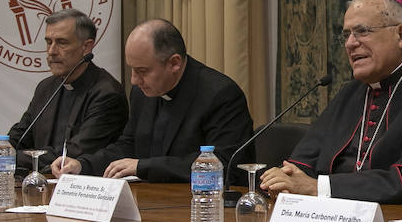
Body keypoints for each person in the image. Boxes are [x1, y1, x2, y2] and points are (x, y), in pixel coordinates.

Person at [259, 0, 402, 204]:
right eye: (346, 35)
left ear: (401, 35)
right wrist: (287, 179)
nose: (350, 43)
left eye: (362, 31)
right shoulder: (350, 92)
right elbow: (302, 165)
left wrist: (319, 188)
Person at [53, 19, 253, 182]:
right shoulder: (142, 91)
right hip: (150, 201)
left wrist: (143, 167)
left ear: (174, 63)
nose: (133, 80)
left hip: (197, 206)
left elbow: (225, 165)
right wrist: (83, 164)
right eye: (132, 69)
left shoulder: (220, 94)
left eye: (142, 71)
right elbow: (128, 146)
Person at [0, 8, 127, 173]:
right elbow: (19, 137)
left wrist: (0, 157)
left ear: (86, 47)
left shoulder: (106, 93)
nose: (51, 51)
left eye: (61, 43)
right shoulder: (46, 87)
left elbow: (72, 154)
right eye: (48, 42)